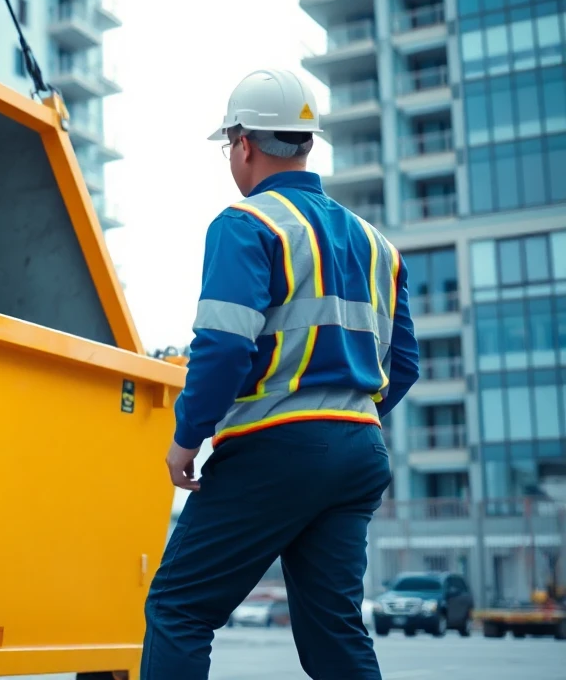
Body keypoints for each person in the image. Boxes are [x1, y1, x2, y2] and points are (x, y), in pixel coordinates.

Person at [141, 69, 420, 680]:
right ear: (307, 143)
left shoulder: (247, 225)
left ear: (243, 144)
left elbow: (222, 347)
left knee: (177, 608)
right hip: (359, 451)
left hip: (277, 447)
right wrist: (347, 418)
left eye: (228, 147)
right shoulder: (379, 246)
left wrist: (187, 440)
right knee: (333, 632)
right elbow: (404, 367)